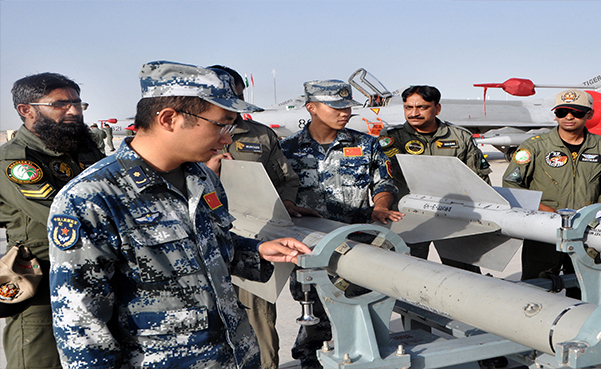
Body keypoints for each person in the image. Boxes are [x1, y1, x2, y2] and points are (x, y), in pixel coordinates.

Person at [47, 61, 311, 369]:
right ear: (169, 119)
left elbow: (211, 247)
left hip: (236, 358)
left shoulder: (201, 177)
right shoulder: (91, 198)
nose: (227, 138)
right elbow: (82, 325)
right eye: (221, 124)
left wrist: (256, 251)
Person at [280, 80, 402, 369]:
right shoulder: (286, 149)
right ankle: (310, 359)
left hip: (357, 241)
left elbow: (384, 181)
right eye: (336, 106)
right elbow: (276, 190)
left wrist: (381, 205)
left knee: (361, 305)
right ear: (311, 108)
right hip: (309, 244)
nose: (344, 112)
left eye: (347, 106)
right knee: (315, 309)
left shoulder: (366, 144)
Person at [205, 64, 318, 369]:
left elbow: (287, 179)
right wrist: (208, 171)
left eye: (236, 97)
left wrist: (286, 202)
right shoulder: (193, 139)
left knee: (258, 318)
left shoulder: (260, 135)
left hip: (252, 240)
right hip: (203, 243)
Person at [0, 72, 105, 369]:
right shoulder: (16, 161)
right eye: (60, 104)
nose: (73, 111)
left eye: (77, 103)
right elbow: (62, 216)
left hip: (96, 276)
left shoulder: (85, 151)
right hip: (45, 284)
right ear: (26, 110)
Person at [502, 89, 601, 298]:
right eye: (562, 112)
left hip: (586, 232)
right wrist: (546, 212)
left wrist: (600, 209)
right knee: (536, 291)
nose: (569, 117)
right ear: (556, 115)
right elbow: (511, 184)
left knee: (585, 290)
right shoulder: (535, 146)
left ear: (589, 114)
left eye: (576, 112)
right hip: (543, 231)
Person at [379, 85, 491, 271]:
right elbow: (385, 176)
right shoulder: (392, 137)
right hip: (408, 217)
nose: (414, 113)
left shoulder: (460, 137)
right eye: (408, 107)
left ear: (436, 108)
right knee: (406, 272)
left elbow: (479, 178)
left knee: (463, 275)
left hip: (454, 217)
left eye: (422, 107)